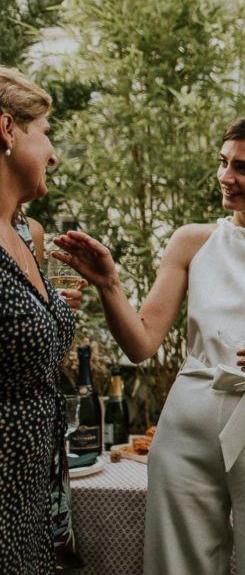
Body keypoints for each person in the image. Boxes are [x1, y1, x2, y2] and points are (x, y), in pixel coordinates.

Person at [54, 114, 245, 575]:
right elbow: (141, 344)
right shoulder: (191, 241)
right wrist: (108, 284)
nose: (225, 177)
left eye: (243, 168)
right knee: (178, 564)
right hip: (187, 427)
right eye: (223, 163)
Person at [0, 66, 76, 574]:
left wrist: (53, 311)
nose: (52, 153)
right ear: (7, 130)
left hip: (34, 489)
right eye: (45, 133)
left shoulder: (27, 233)